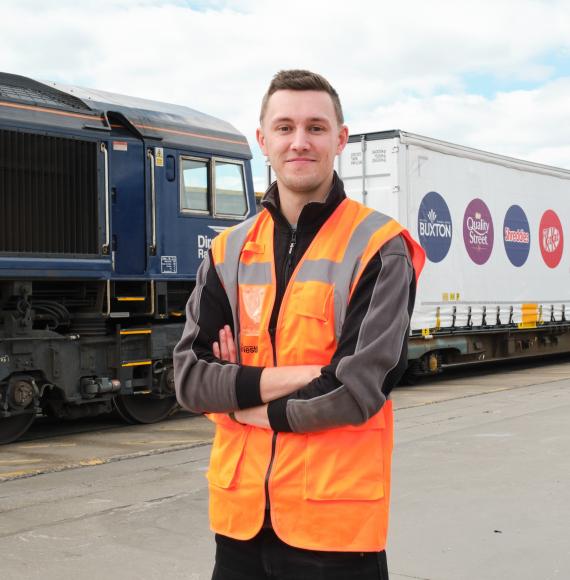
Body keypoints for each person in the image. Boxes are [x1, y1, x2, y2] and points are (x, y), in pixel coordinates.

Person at [173, 69, 425, 580]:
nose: (300, 141)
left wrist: (243, 405)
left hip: (334, 532)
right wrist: (307, 373)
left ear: (340, 138)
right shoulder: (228, 251)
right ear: (263, 140)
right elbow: (190, 380)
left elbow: (355, 391)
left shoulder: (379, 246)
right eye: (285, 128)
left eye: (315, 126)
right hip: (239, 529)